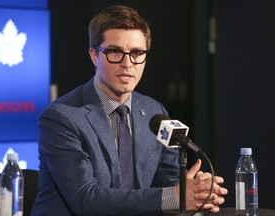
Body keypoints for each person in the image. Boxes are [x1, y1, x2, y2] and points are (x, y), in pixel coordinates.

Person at [30, 4, 227, 216]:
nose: (127, 63)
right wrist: (175, 197)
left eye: (137, 53)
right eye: (115, 52)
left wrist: (195, 193)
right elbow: (86, 200)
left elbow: (168, 184)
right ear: (94, 55)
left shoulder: (154, 111)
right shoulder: (61, 117)